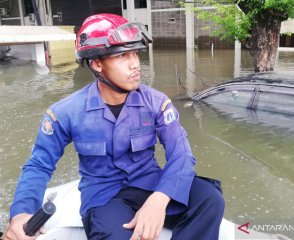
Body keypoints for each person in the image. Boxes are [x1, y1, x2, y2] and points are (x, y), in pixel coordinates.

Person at [5, 14, 224, 240]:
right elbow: (40, 164)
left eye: (135, 54)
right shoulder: (65, 113)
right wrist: (22, 212)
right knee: (114, 235)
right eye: (122, 56)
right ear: (97, 63)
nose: (135, 64)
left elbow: (182, 155)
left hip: (150, 184)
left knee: (209, 199)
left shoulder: (157, 103)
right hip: (104, 198)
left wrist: (159, 199)